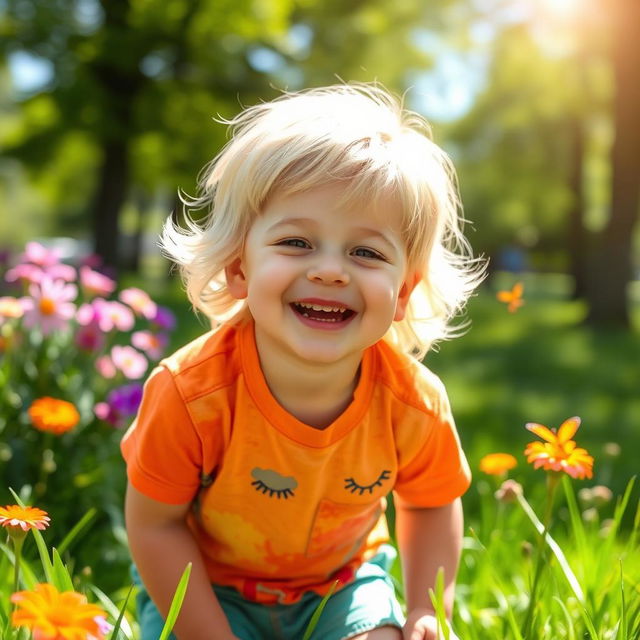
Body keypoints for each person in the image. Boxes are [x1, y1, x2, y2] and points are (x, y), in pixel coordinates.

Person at [121, 83, 484, 640]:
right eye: (296, 243)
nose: (331, 271)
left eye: (366, 252)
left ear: (404, 291)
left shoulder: (412, 401)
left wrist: (427, 610)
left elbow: (432, 505)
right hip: (207, 590)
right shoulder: (191, 395)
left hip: (344, 587)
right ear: (239, 267)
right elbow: (155, 525)